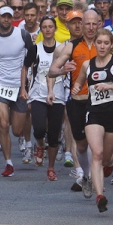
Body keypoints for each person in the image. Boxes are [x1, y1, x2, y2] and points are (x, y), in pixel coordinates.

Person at [72, 29, 113, 212]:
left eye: (106, 43)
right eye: (99, 43)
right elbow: (79, 82)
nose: (102, 46)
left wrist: (111, 86)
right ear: (95, 43)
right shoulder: (88, 65)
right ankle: (100, 195)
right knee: (96, 153)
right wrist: (77, 88)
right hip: (93, 112)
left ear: (111, 45)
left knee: (104, 157)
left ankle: (110, 162)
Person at [49, 10, 99, 196]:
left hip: (99, 101)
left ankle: (96, 179)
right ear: (83, 26)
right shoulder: (71, 46)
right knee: (82, 145)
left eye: (94, 24)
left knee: (96, 144)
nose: (91, 27)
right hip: (77, 101)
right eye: (87, 24)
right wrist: (63, 70)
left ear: (99, 24)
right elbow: (52, 70)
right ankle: (85, 176)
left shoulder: (104, 43)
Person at [20, 16, 66, 181]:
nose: (47, 30)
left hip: (58, 95)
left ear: (55, 29)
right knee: (39, 128)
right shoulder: (35, 49)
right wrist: (23, 88)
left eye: (50, 27)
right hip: (38, 94)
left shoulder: (62, 49)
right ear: (41, 30)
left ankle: (51, 168)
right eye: (44, 27)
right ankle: (39, 144)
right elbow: (25, 68)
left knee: (54, 135)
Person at [0, 6, 33, 177]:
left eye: (9, 16)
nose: (6, 19)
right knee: (2, 123)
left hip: (19, 86)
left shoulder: (22, 35)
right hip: (0, 85)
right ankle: (8, 163)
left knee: (16, 130)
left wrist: (27, 83)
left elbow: (32, 54)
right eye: (3, 16)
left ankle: (23, 134)